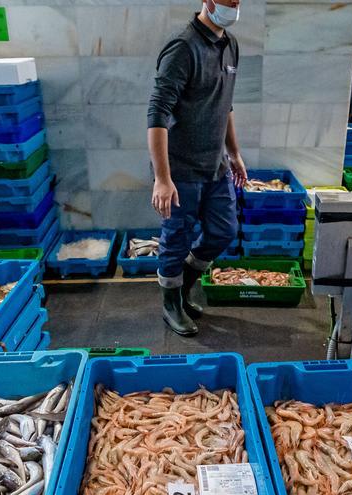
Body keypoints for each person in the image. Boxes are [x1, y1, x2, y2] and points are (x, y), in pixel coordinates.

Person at [148, 0, 247, 337]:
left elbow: (225, 104)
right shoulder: (182, 48)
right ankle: (170, 305)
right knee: (176, 238)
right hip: (180, 171)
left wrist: (234, 154)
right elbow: (157, 115)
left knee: (224, 230)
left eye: (238, 0)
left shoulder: (230, 45)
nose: (234, 5)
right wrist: (162, 179)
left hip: (215, 165)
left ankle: (183, 286)